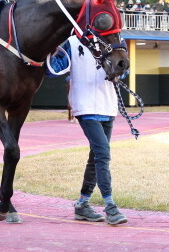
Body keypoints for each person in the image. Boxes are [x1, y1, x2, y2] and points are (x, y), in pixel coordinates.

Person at [47, 35, 128, 225]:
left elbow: (122, 70)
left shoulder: (117, 39)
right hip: (85, 107)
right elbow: (53, 71)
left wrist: (118, 70)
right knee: (103, 153)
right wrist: (50, 50)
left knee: (96, 157)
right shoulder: (72, 42)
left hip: (108, 106)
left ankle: (82, 204)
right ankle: (110, 206)